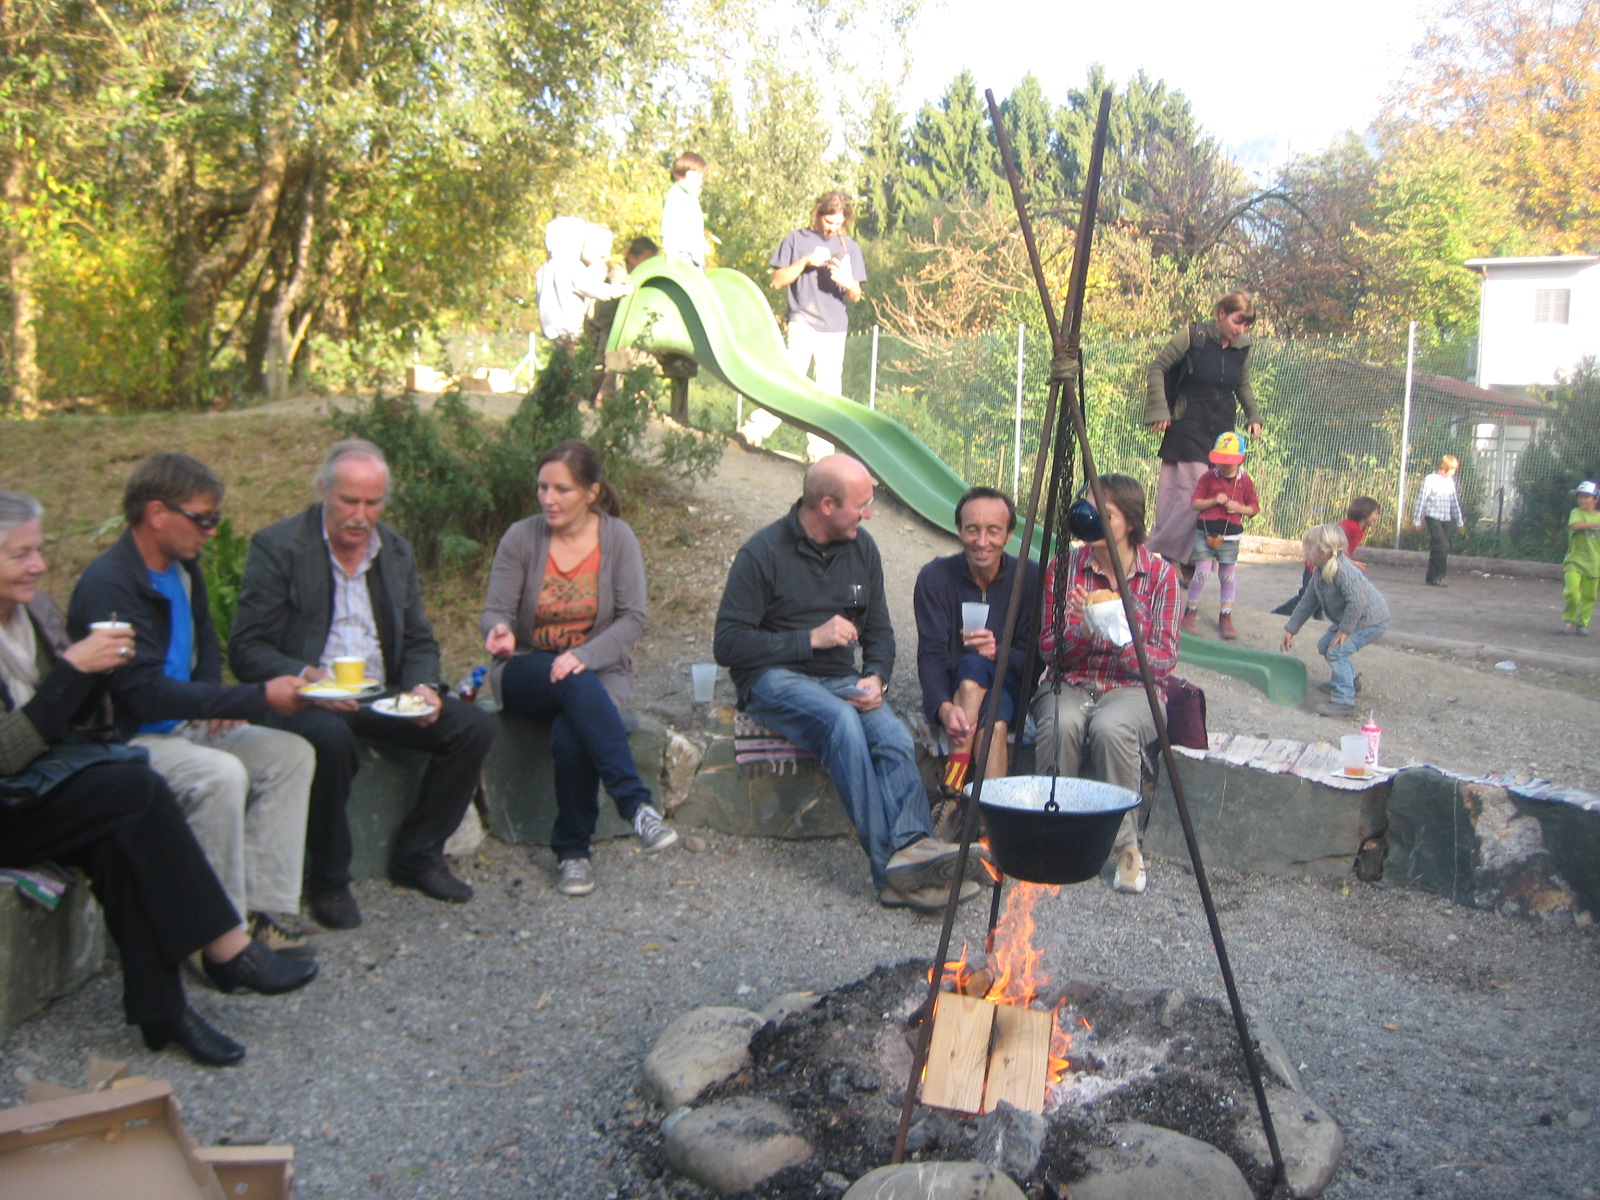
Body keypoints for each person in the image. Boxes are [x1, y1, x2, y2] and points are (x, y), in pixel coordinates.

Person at [0, 491, 316, 1067]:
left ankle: (163, 1012)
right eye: (21, 555)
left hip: (40, 786)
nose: (40, 565)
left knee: (120, 835)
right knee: (136, 786)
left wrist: (95, 673)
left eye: (38, 550)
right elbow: (6, 753)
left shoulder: (32, 613)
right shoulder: (104, 581)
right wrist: (72, 671)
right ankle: (226, 947)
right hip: (10, 801)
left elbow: (68, 721)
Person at [228, 439, 496, 930]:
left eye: (372, 503)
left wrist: (423, 686)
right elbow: (247, 649)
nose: (360, 516)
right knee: (329, 741)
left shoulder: (394, 550)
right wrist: (309, 677)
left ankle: (419, 855)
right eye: (349, 501)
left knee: (472, 727)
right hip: (305, 697)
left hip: (377, 692)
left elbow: (417, 638)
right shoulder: (280, 547)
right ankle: (329, 879)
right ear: (323, 492)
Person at [713, 454, 990, 913]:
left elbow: (879, 631)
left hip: (841, 678)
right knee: (840, 722)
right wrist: (809, 639)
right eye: (861, 505)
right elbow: (728, 644)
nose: (870, 514)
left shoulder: (862, 549)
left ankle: (916, 848)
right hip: (772, 679)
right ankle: (891, 872)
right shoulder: (763, 553)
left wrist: (876, 677)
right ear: (827, 505)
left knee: (892, 736)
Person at [66, 453, 318, 957]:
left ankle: (261, 912)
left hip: (182, 724)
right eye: (202, 518)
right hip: (128, 737)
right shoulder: (111, 584)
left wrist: (212, 699)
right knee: (220, 775)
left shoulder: (183, 570)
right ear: (157, 514)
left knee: (290, 755)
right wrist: (252, 697)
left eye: (215, 518)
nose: (212, 530)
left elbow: (205, 645)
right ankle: (215, 942)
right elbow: (141, 693)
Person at [480, 441, 677, 897]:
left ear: (591, 492)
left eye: (562, 490)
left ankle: (573, 854)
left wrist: (585, 657)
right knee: (573, 685)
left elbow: (632, 618)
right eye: (542, 487)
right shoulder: (521, 537)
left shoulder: (618, 538)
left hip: (600, 670)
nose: (548, 499)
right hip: (527, 667)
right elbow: (495, 611)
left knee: (573, 731)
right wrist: (498, 631)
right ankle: (636, 805)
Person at [1032, 474, 1180, 896]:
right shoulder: (1065, 568)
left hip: (1133, 689)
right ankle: (1053, 834)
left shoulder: (1160, 576)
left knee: (1111, 728)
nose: (1090, 517)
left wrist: (1115, 635)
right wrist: (1081, 632)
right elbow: (1049, 649)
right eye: (1088, 508)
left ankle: (1126, 847)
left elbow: (1163, 661)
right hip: (1072, 680)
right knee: (1061, 722)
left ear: (1129, 522)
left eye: (1105, 513)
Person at [913, 487, 1038, 795]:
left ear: (1009, 534)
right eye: (972, 530)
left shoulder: (1030, 578)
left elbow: (1035, 662)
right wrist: (943, 707)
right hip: (955, 691)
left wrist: (998, 653)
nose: (982, 542)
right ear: (959, 530)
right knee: (994, 715)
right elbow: (931, 653)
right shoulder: (935, 577)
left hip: (1009, 684)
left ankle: (953, 782)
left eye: (993, 531)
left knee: (975, 665)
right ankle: (993, 816)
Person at [1144, 292, 1263, 584]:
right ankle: (1168, 557)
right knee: (1192, 496)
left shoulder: (1243, 348)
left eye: (1247, 325)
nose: (1241, 329)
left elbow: (1242, 384)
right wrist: (1160, 410)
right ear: (1221, 313)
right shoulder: (1193, 335)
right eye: (1237, 322)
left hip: (1222, 436)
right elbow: (1158, 367)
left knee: (1210, 497)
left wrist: (1254, 415)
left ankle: (1184, 559)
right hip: (1187, 428)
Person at [740, 191, 867, 461]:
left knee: (828, 392)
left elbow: (857, 296)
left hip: (834, 326)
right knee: (789, 379)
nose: (832, 228)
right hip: (802, 320)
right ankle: (752, 432)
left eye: (838, 223)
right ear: (818, 214)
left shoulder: (850, 247)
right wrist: (805, 261)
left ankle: (820, 455)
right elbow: (777, 281)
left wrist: (848, 282)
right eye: (829, 221)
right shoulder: (796, 239)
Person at [1281, 524, 1390, 718]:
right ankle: (1348, 681)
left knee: (1336, 651)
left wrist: (1344, 630)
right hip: (1354, 619)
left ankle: (1344, 701)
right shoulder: (1320, 571)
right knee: (1325, 645)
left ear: (1323, 552)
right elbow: (1308, 601)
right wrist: (1291, 628)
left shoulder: (1343, 571)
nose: (1304, 551)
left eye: (1308, 547)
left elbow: (1358, 601)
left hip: (1370, 621)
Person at [1180, 431, 1259, 641]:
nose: (1224, 466)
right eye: (1221, 461)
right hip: (1205, 533)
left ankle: (1226, 616)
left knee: (1227, 575)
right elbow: (1195, 503)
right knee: (1201, 572)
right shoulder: (1208, 477)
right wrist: (1214, 500)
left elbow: (1253, 508)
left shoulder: (1245, 481)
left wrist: (1239, 508)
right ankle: (1190, 613)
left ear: (1240, 460)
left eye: (1229, 462)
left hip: (1230, 536)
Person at [1272, 496, 1380, 617]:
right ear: (1365, 512)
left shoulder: (1359, 529)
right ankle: (1277, 614)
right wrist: (1351, 563)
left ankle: (1315, 622)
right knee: (1308, 598)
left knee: (1318, 599)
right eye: (1375, 514)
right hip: (1316, 565)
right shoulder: (1350, 527)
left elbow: (1341, 551)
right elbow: (1331, 545)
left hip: (1325, 565)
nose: (1377, 518)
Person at [588, 235, 658, 404]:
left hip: (622, 326)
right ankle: (591, 396)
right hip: (607, 324)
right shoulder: (620, 270)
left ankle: (614, 398)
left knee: (623, 364)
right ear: (633, 258)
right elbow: (617, 288)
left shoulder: (638, 273)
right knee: (602, 364)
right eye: (646, 260)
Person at [1412, 454, 1465, 587]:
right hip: (1433, 517)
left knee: (1439, 548)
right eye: (1452, 469)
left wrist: (1459, 520)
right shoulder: (1430, 480)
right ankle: (1438, 576)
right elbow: (1421, 499)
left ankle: (1432, 577)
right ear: (1443, 469)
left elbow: (1454, 501)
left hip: (1445, 518)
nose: (1454, 472)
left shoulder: (1450, 481)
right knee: (1442, 545)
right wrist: (1417, 519)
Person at [1561, 480, 1600, 635]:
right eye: (1580, 496)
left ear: (1595, 499)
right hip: (1574, 561)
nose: (1582, 499)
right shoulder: (1576, 513)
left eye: (1586, 497)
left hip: (1594, 564)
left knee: (1589, 597)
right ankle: (1568, 620)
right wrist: (1596, 524)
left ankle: (1583, 623)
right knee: (1572, 592)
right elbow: (1575, 525)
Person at [661, 151, 708, 268]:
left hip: (694, 253)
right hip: (681, 253)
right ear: (681, 175)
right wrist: (669, 250)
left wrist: (702, 245)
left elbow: (696, 225)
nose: (699, 181)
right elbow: (669, 222)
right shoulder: (676, 195)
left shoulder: (692, 197)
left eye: (701, 177)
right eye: (695, 176)